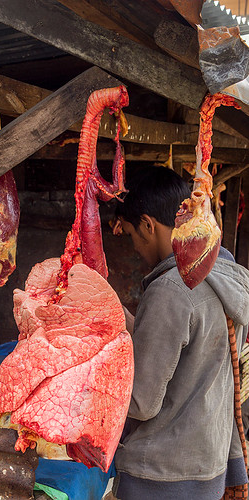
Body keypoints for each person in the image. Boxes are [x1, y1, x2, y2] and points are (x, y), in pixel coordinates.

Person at [112, 166, 249, 500]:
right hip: (206, 468)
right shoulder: (229, 274)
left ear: (148, 224)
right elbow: (192, 354)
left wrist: (84, 386)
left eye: (131, 235)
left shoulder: (171, 290)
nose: (135, 247)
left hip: (160, 475)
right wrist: (120, 316)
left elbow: (141, 402)